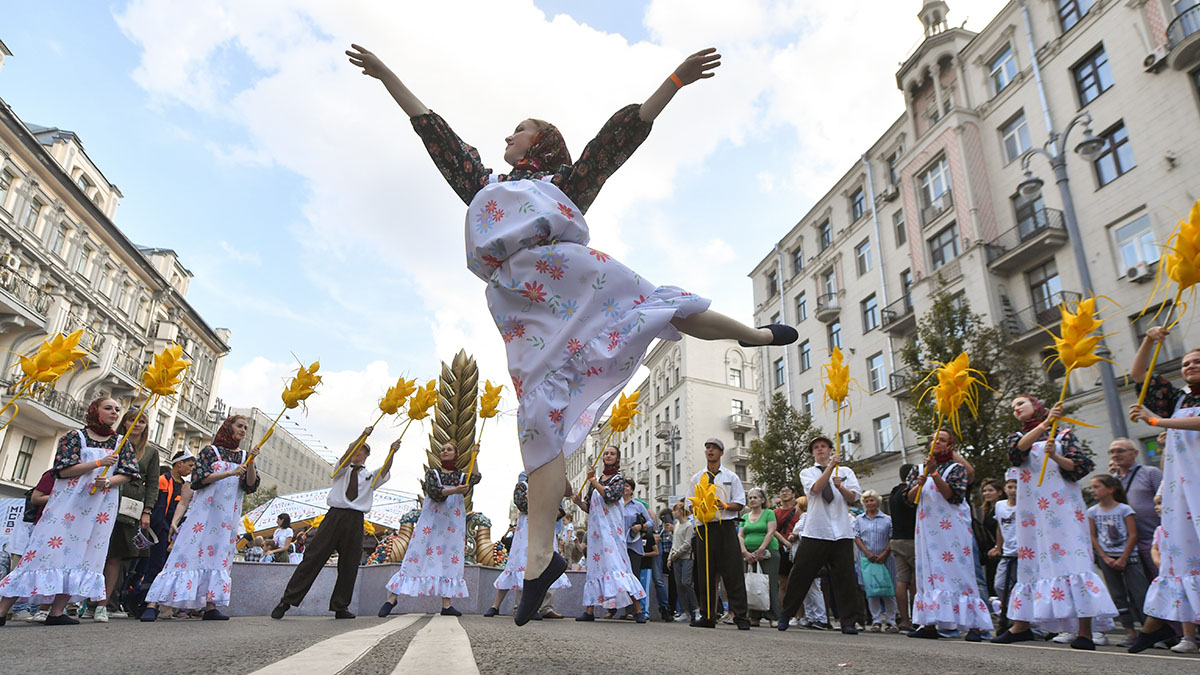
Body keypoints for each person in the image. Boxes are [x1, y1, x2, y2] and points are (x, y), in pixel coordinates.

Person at [346, 42, 801, 626]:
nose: (507, 137)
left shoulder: (563, 184)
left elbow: (617, 140)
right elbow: (433, 131)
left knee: (662, 307)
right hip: (528, 315)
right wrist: (388, 76)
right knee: (536, 423)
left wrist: (674, 82)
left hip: (577, 285)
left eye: (518, 130)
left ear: (539, 143)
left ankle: (755, 336)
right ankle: (541, 561)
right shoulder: (487, 188)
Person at [0, 397, 140, 626]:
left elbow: (128, 473)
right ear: (95, 411)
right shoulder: (75, 437)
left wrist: (111, 481)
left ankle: (57, 611)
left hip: (99, 510)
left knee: (83, 557)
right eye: (108, 408)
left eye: (117, 409)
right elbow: (63, 471)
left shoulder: (122, 442)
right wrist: (98, 463)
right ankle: (3, 609)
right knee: (41, 554)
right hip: (66, 506)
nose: (114, 413)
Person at [991, 397, 1116, 649]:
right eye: (1013, 406)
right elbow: (1016, 454)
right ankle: (1021, 626)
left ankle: (1084, 632)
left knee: (1072, 559)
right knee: (1031, 562)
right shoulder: (1017, 435)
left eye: (1021, 403)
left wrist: (1055, 456)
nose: (1016, 407)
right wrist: (1044, 425)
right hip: (1032, 509)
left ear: (1036, 405)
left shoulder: (1064, 433)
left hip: (1062, 506)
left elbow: (1080, 466)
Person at [140, 415, 260, 621]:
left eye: (246, 428)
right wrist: (229, 473)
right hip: (203, 514)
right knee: (184, 552)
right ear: (227, 427)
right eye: (239, 426)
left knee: (218, 557)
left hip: (226, 518)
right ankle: (154, 603)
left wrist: (251, 462)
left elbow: (250, 485)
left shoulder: (243, 456)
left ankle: (210, 606)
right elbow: (198, 479)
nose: (243, 430)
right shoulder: (210, 451)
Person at [1126, 326, 1200, 652]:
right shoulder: (1179, 397)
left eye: (1196, 362)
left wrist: (1156, 422)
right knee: (1180, 553)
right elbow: (1138, 374)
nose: (1190, 367)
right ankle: (1165, 626)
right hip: (1181, 487)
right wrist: (1148, 340)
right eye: (1185, 363)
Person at [273, 428, 397, 620]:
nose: (356, 452)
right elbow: (347, 455)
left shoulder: (369, 476)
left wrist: (392, 452)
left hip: (355, 519)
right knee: (313, 558)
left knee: (349, 564)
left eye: (360, 450)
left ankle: (340, 606)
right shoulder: (341, 469)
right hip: (334, 516)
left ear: (366, 455)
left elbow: (385, 470)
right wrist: (362, 435)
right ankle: (286, 601)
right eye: (354, 448)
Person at [906, 430, 992, 641]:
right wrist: (919, 483)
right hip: (927, 529)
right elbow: (910, 499)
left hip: (952, 530)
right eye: (934, 438)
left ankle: (974, 625)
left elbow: (952, 496)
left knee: (959, 572)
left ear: (950, 446)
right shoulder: (917, 469)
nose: (937, 442)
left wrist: (935, 474)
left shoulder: (957, 469)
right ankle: (931, 622)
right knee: (929, 573)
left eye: (942, 440)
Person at [380, 441, 481, 618]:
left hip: (452, 525)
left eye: (449, 449)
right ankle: (392, 598)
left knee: (450, 558)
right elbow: (434, 493)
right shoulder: (432, 474)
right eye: (442, 449)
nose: (444, 451)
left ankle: (447, 604)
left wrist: (475, 456)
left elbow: (476, 478)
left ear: (456, 454)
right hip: (431, 523)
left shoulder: (461, 476)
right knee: (415, 554)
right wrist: (455, 490)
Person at [778, 436, 860, 635]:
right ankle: (787, 614)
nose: (820, 450)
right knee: (800, 573)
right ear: (813, 453)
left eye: (823, 446)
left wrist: (840, 486)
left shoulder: (846, 471)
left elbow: (854, 497)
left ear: (831, 449)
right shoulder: (807, 472)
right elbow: (815, 489)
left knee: (845, 577)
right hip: (817, 530)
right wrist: (831, 468)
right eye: (816, 448)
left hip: (841, 531)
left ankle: (848, 620)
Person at [571, 446, 646, 621]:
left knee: (619, 565)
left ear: (617, 458)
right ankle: (589, 611)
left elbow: (610, 495)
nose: (608, 455)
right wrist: (578, 503)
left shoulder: (618, 479)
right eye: (606, 453)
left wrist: (592, 481)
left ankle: (638, 610)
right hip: (596, 533)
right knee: (596, 568)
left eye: (612, 453)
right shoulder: (596, 480)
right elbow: (590, 507)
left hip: (612, 531)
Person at [485, 472, 570, 619]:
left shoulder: (549, 487)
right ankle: (507, 606)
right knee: (519, 565)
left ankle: (544, 607)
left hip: (544, 530)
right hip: (526, 532)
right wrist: (544, 506)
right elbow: (523, 505)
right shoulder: (522, 486)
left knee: (545, 566)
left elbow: (559, 509)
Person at [102, 408, 159, 619]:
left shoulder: (151, 452)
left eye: (141, 421)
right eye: (132, 420)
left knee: (121, 554)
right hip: (107, 496)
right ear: (124, 423)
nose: (136, 424)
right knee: (101, 550)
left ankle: (110, 602)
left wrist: (147, 510)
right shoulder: (112, 442)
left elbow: (153, 483)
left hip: (131, 504)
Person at [689, 438, 748, 630]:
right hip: (704, 527)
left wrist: (723, 505)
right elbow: (690, 505)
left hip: (725, 525)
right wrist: (701, 507)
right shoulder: (697, 478)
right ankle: (707, 615)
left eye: (714, 448)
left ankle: (740, 616)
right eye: (707, 448)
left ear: (721, 453)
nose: (710, 451)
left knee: (733, 572)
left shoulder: (731, 477)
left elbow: (739, 503)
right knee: (705, 573)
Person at [1087, 474, 1150, 647]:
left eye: (1097, 487)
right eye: (1092, 487)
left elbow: (1133, 534)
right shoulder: (1092, 512)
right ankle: (1130, 632)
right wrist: (1104, 557)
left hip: (1129, 557)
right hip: (1108, 558)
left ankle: (1148, 631)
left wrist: (1124, 557)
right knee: (1118, 596)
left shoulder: (1124, 509)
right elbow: (1092, 536)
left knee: (1139, 593)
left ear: (1110, 489)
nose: (1093, 491)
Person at [1149, 496, 1198, 653]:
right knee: (1183, 601)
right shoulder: (1160, 529)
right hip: (1176, 571)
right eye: (1156, 503)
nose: (1157, 507)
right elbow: (1155, 548)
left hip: (1191, 568)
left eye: (1161, 503)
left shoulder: (1189, 526)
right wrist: (1159, 562)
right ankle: (1187, 637)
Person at [1108, 438, 1162, 579]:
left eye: (1120, 451)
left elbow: (1165, 500)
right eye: (1112, 452)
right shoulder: (1112, 481)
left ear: (1135, 453)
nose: (1115, 455)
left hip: (1152, 539)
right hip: (1128, 546)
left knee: (1160, 578)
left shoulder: (1151, 473)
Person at [854, 489, 897, 632]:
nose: (869, 503)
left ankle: (891, 621)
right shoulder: (859, 520)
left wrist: (885, 553)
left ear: (877, 501)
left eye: (872, 500)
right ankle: (876, 620)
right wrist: (866, 552)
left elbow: (892, 537)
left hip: (885, 559)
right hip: (867, 560)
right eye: (866, 501)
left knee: (888, 589)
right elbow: (857, 537)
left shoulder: (887, 519)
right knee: (871, 590)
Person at [739, 486, 780, 626]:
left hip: (768, 552)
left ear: (762, 500)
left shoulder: (769, 513)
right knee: (751, 583)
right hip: (748, 554)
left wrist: (761, 549)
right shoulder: (744, 516)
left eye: (755, 497)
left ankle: (773, 616)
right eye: (750, 498)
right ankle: (754, 616)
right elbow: (740, 535)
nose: (752, 500)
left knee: (769, 583)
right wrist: (744, 551)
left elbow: (771, 531)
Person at [887, 463, 918, 632]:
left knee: (901, 580)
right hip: (912, 539)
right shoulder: (910, 493)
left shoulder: (893, 494)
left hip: (896, 540)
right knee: (915, 580)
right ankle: (917, 617)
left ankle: (904, 620)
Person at [989, 470, 1019, 631]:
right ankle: (1007, 611)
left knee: (1020, 587)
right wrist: (998, 547)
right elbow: (1000, 527)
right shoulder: (1000, 506)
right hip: (1007, 553)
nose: (1013, 490)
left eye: (1016, 487)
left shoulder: (1025, 505)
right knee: (1000, 585)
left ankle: (1021, 617)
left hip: (1022, 554)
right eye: (1010, 486)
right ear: (1005, 489)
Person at [667, 501, 698, 622]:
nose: (673, 513)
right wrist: (671, 557)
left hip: (687, 558)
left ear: (680, 511)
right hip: (676, 558)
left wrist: (676, 554)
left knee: (686, 583)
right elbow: (674, 543)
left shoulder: (689, 525)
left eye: (675, 510)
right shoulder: (677, 525)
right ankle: (685, 611)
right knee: (679, 585)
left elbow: (687, 543)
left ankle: (696, 608)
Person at [772, 485, 801, 602]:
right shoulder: (775, 512)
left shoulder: (799, 511)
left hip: (798, 547)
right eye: (782, 491)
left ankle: (799, 615)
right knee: (783, 582)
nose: (784, 493)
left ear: (793, 494)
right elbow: (772, 529)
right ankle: (783, 614)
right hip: (781, 548)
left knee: (796, 582)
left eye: (787, 491)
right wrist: (784, 541)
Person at [978, 478, 1004, 597]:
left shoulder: (1002, 508)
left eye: (990, 490)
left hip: (1000, 550)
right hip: (989, 553)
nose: (986, 493)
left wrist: (997, 546)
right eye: (984, 491)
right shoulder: (987, 510)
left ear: (999, 492)